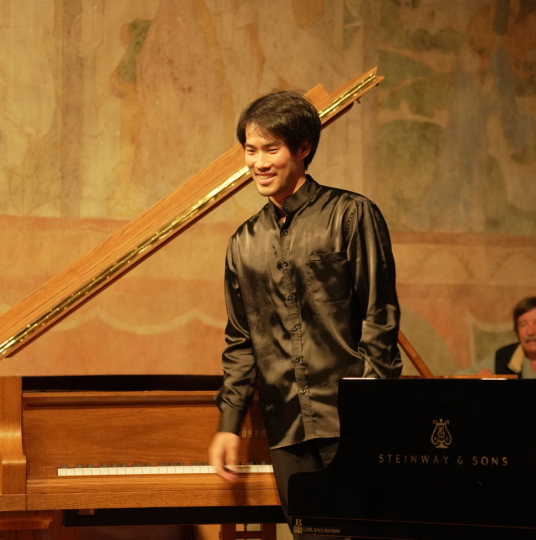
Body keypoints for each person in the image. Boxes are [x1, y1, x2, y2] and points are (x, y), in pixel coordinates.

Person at [208, 90, 401, 532]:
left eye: (270, 149)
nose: (258, 162)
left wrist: (371, 411)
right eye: (250, 150)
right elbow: (240, 341)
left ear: (303, 149)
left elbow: (380, 318)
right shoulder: (243, 243)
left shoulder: (352, 214)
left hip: (350, 422)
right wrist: (229, 424)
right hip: (287, 428)